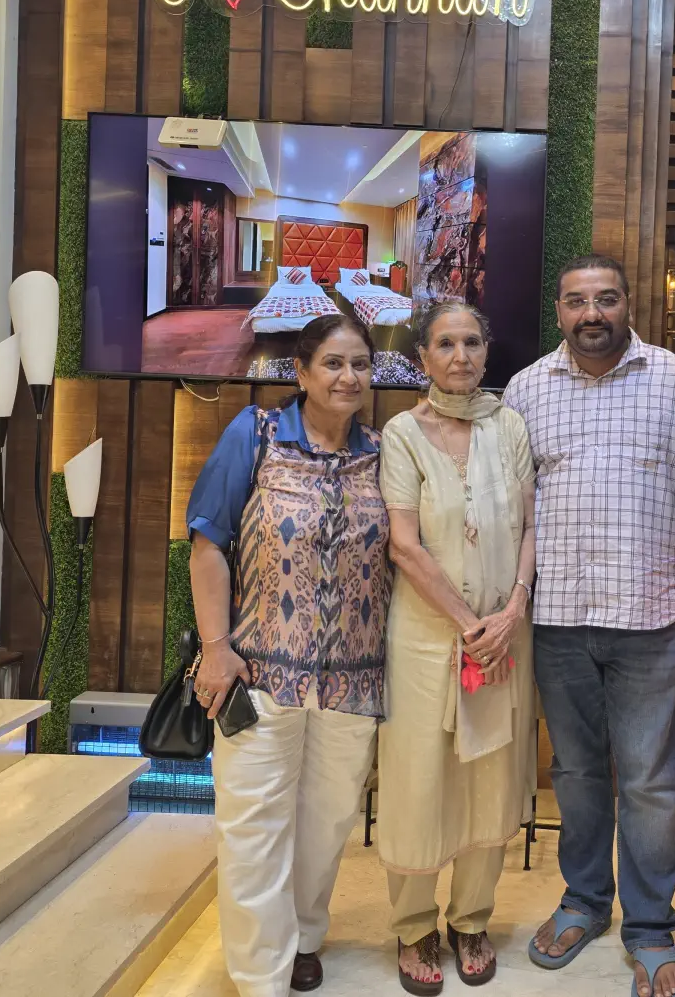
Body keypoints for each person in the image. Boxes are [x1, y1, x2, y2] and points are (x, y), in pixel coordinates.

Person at [503, 255, 675, 997]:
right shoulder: (526, 389)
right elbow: (515, 501)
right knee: (577, 772)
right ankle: (585, 902)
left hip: (651, 615)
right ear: (559, 310)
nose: (591, 313)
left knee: (651, 780)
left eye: (606, 299)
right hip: (559, 616)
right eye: (576, 301)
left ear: (629, 304)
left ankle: (650, 925)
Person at [187, 313, 392, 997]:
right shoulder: (256, 435)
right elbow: (208, 543)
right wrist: (215, 648)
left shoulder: (383, 453)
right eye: (332, 363)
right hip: (259, 675)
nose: (348, 376)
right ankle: (260, 977)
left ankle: (301, 937)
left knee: (326, 826)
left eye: (360, 363)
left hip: (353, 684)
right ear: (301, 372)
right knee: (252, 828)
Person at [377, 301, 538, 996]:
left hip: (505, 637)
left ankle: (472, 919)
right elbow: (404, 544)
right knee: (418, 779)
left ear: (487, 351)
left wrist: (514, 608)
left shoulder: (510, 427)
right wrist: (470, 624)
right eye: (445, 343)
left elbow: (530, 525)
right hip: (425, 640)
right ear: (423, 357)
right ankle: (414, 926)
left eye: (472, 341)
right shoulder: (402, 433)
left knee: (490, 776)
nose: (461, 355)